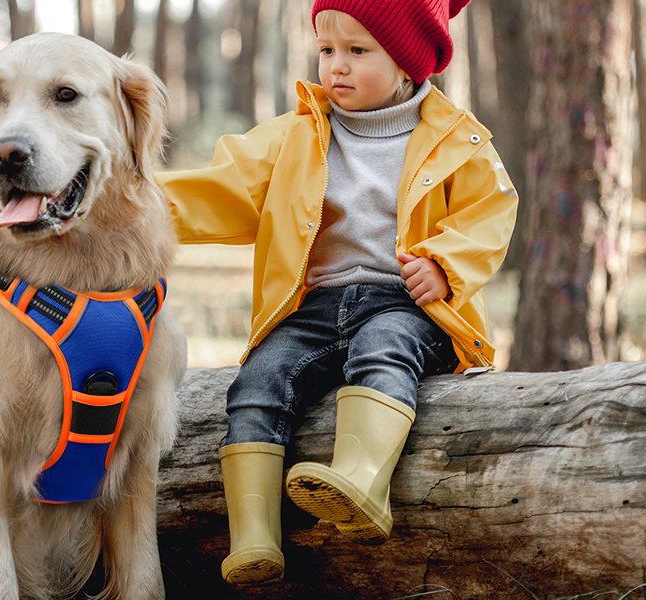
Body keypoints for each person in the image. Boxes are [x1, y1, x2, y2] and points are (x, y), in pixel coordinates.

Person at [155, 0, 518, 586]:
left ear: (406, 62)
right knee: (257, 381)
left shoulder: (457, 140)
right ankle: (254, 536)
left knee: (383, 349)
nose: (336, 68)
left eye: (357, 51)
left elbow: (491, 213)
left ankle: (362, 479)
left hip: (406, 302)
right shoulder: (299, 135)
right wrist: (134, 205)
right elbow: (224, 187)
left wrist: (446, 265)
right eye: (327, 51)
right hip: (315, 308)